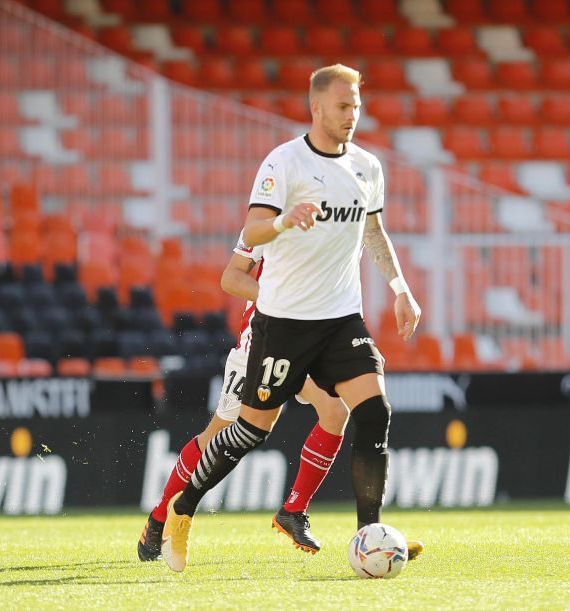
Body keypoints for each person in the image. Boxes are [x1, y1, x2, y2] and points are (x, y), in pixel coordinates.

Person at [160, 63, 422, 573]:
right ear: (317, 107)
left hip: (341, 318)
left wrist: (401, 288)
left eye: (358, 106)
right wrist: (285, 219)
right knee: (248, 431)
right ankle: (183, 507)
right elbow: (252, 233)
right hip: (283, 323)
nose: (353, 115)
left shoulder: (367, 167)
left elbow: (374, 233)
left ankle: (370, 532)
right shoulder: (285, 163)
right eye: (344, 106)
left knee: (374, 411)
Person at [138, 238, 351, 559]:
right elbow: (231, 278)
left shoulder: (340, 222)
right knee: (215, 436)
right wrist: (278, 301)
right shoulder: (275, 219)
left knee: (335, 411)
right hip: (264, 340)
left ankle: (294, 510)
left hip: (310, 338)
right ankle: (159, 518)